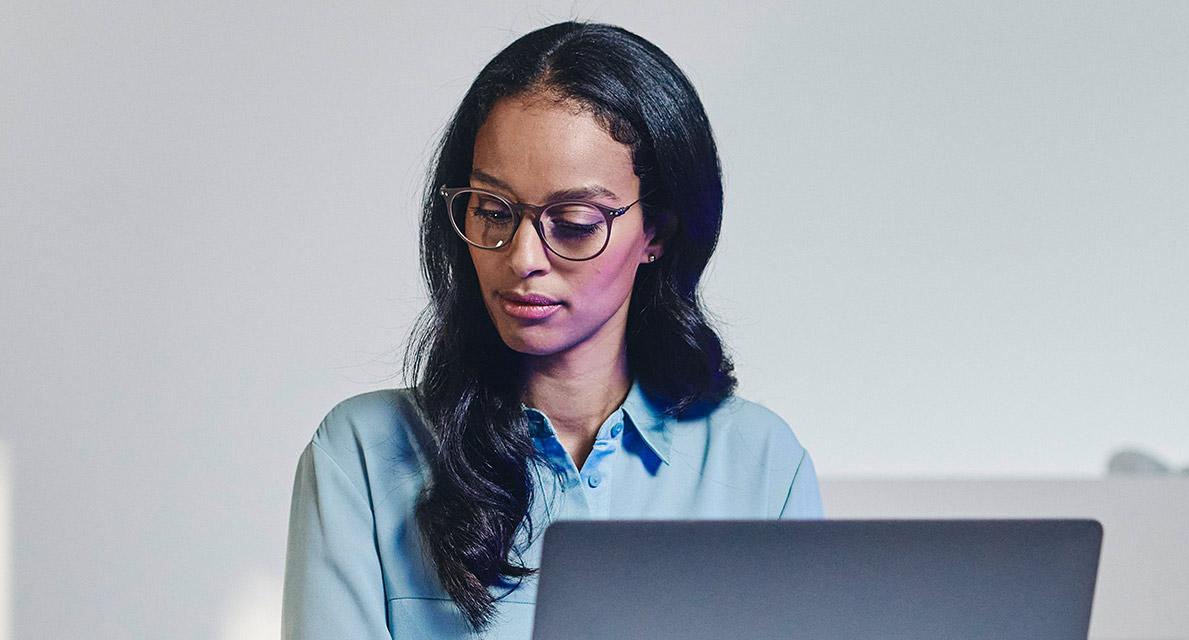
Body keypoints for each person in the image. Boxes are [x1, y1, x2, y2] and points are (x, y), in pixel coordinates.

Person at [281, 20, 823, 640]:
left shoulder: (759, 464)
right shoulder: (364, 456)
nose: (522, 258)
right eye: (493, 211)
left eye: (572, 222)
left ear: (658, 233)